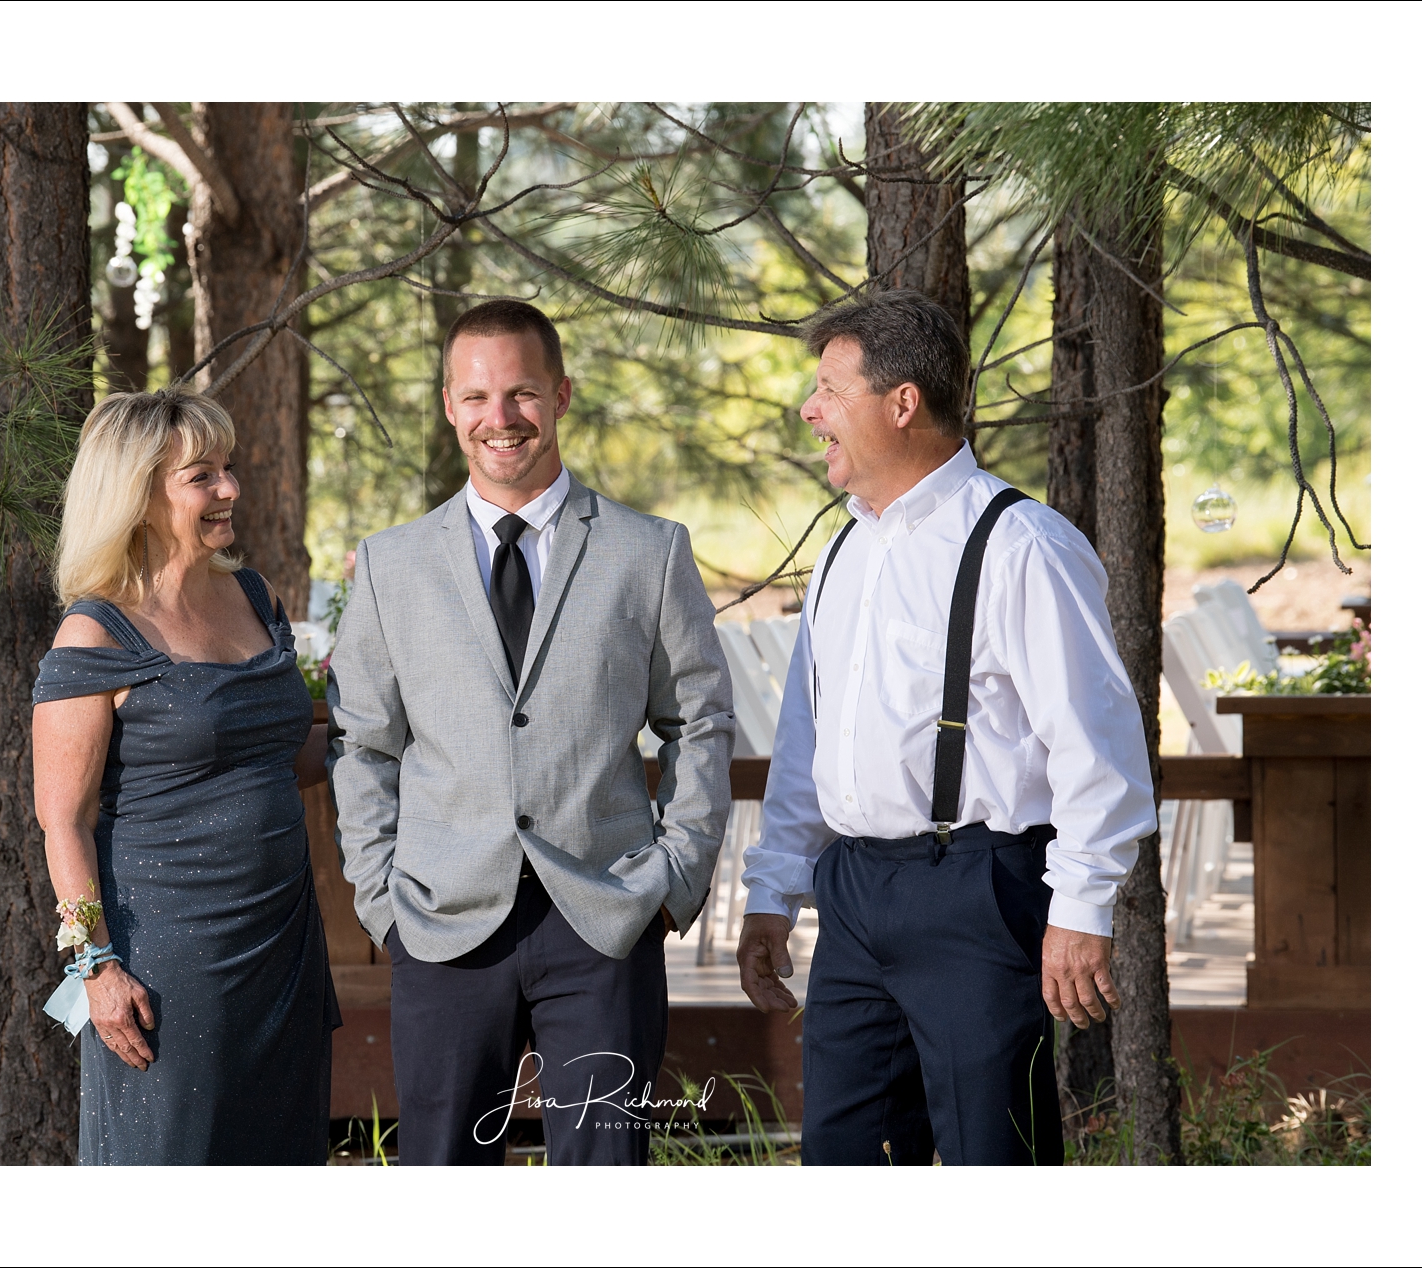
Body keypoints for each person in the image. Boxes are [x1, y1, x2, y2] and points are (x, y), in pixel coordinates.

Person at [736, 290, 1156, 1166]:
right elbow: (809, 738)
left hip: (975, 889)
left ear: (901, 403)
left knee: (990, 1159)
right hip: (852, 895)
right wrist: (774, 888)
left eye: (829, 390)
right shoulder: (841, 552)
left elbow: (1097, 746)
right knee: (845, 1158)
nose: (810, 411)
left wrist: (1080, 906)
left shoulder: (1020, 545)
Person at [328, 300, 735, 1165]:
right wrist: (380, 896)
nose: (499, 419)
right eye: (476, 397)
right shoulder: (392, 564)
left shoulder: (648, 551)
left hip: (605, 917)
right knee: (443, 1172)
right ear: (448, 405)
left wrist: (676, 875)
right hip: (441, 921)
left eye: (521, 393)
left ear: (561, 394)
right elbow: (363, 744)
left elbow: (698, 721)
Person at [32, 386, 339, 1165]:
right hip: (168, 960)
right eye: (202, 475)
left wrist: (384, 734)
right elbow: (63, 819)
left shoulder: (254, 594)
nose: (230, 488)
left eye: (228, 469)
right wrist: (96, 968)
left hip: (284, 945)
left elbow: (282, 758)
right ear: (137, 496)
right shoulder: (96, 630)